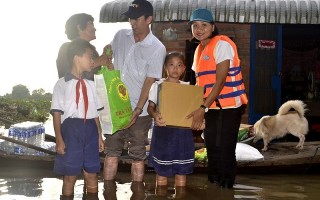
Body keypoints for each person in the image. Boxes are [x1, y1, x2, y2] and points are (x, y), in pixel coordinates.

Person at [103, 0, 166, 183]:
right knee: (111, 151)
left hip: (141, 112)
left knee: (138, 153)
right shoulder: (120, 36)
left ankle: (137, 192)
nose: (132, 23)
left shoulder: (157, 47)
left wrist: (137, 110)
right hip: (115, 108)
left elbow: (149, 81)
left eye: (136, 19)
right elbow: (107, 54)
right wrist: (103, 58)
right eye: (130, 19)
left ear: (149, 19)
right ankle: (108, 191)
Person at [187, 8, 248, 189]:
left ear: (213, 27)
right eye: (195, 25)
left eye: (204, 25)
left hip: (229, 107)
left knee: (225, 150)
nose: (199, 29)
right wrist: (198, 109)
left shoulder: (222, 44)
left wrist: (202, 108)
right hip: (210, 107)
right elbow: (199, 84)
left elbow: (220, 81)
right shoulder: (198, 50)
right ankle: (213, 187)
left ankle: (226, 188)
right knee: (212, 148)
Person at [50, 39, 105, 199]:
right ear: (77, 57)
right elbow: (57, 114)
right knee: (70, 175)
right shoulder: (62, 84)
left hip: (90, 131)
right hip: (71, 131)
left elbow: (95, 113)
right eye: (90, 57)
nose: (93, 61)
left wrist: (99, 136)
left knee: (92, 173)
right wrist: (59, 139)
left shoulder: (91, 84)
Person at [147, 52, 195, 191]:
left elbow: (192, 110)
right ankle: (160, 195)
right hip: (164, 132)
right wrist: (155, 116)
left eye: (179, 65)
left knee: (181, 172)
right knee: (162, 173)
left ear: (184, 68)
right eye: (171, 65)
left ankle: (181, 195)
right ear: (165, 67)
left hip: (182, 134)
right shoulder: (157, 86)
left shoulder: (187, 88)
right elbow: (150, 108)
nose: (175, 69)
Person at [56, 13, 111, 80]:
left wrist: (106, 61)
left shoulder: (94, 51)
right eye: (91, 24)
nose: (95, 29)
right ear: (79, 27)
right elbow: (66, 75)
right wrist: (98, 61)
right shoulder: (66, 48)